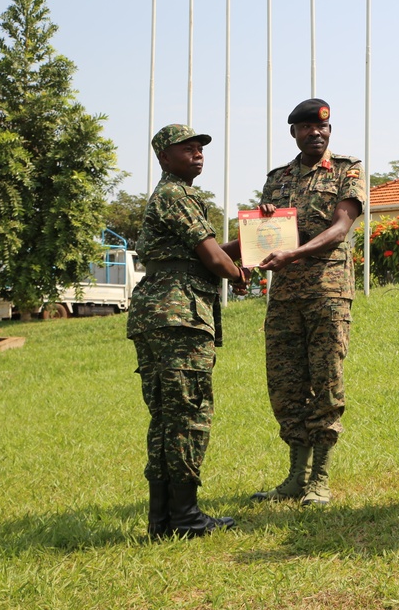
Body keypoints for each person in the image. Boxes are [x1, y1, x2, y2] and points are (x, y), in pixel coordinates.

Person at [127, 124, 248, 538]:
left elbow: (204, 253)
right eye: (187, 148)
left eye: (200, 148)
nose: (197, 153)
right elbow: (215, 260)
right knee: (188, 415)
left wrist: (253, 236)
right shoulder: (177, 195)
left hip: (160, 314)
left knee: (166, 417)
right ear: (163, 156)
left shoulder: (171, 197)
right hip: (179, 317)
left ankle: (163, 521)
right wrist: (238, 276)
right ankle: (185, 517)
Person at [249, 98, 365, 507]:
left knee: (326, 379)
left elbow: (341, 226)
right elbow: (265, 235)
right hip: (284, 295)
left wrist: (294, 254)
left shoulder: (348, 170)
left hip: (327, 292)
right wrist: (264, 220)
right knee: (284, 383)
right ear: (294, 133)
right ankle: (296, 476)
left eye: (324, 128)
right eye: (308, 128)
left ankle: (320, 478)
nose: (317, 133)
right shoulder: (277, 178)